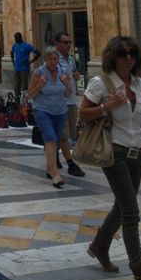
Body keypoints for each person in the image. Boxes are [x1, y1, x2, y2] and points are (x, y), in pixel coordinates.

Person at [80, 35, 141, 280]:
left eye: (132, 53)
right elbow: (83, 113)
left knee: (122, 206)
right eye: (122, 53)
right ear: (113, 56)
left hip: (137, 153)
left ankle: (100, 245)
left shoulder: (140, 84)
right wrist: (106, 106)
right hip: (115, 153)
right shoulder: (101, 83)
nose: (128, 57)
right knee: (131, 212)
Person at [27, 46, 72, 188]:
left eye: (55, 59)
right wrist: (40, 85)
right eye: (50, 59)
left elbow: (68, 94)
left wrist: (67, 84)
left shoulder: (63, 72)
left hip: (60, 111)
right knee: (51, 139)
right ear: (45, 60)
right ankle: (55, 174)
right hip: (42, 110)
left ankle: (49, 167)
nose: (53, 61)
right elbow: (30, 95)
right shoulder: (38, 73)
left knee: (56, 141)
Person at [55, 32, 85, 178]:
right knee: (64, 135)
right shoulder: (53, 60)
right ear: (57, 44)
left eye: (70, 42)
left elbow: (74, 73)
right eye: (65, 42)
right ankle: (71, 164)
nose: (68, 45)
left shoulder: (71, 59)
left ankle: (53, 154)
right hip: (59, 103)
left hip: (72, 101)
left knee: (71, 133)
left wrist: (76, 77)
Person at [11, 32, 40, 98]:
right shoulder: (15, 45)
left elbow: (38, 53)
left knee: (24, 86)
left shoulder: (27, 45)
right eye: (15, 38)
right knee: (16, 86)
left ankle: (24, 100)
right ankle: (17, 99)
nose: (15, 39)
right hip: (17, 69)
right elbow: (12, 53)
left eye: (16, 38)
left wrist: (31, 61)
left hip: (24, 69)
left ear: (20, 37)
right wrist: (13, 62)